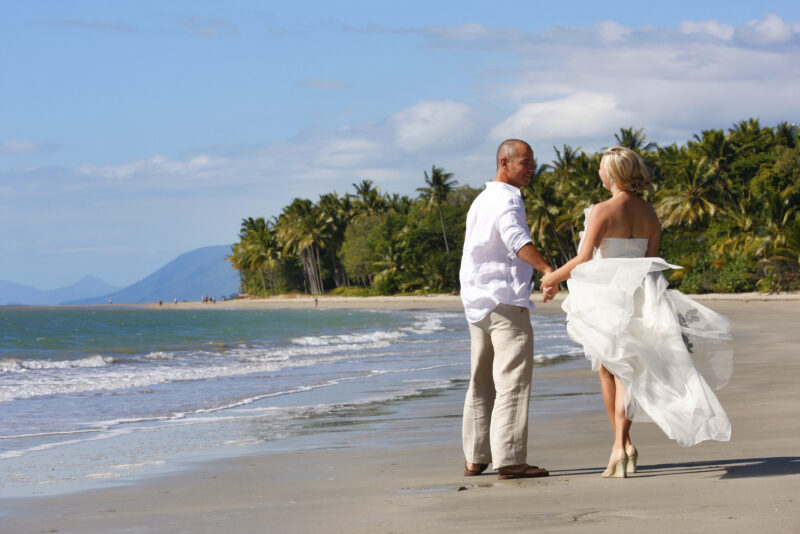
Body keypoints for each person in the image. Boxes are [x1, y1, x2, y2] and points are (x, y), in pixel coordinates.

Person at [541, 146, 733, 478]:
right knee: (623, 369)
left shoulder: (602, 210)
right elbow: (652, 262)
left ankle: (619, 444)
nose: (599, 173)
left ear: (613, 174)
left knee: (612, 369)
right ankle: (623, 443)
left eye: (602, 168)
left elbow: (584, 259)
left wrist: (551, 278)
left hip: (607, 295)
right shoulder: (650, 214)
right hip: (643, 295)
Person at [459, 139, 558, 480]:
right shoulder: (508, 199)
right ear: (505, 162)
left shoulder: (481, 199)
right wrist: (547, 270)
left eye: (533, 163)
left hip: (477, 301)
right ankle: (511, 460)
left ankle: (475, 457)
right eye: (525, 163)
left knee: (481, 382)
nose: (531, 169)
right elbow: (516, 239)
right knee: (512, 382)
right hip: (504, 300)